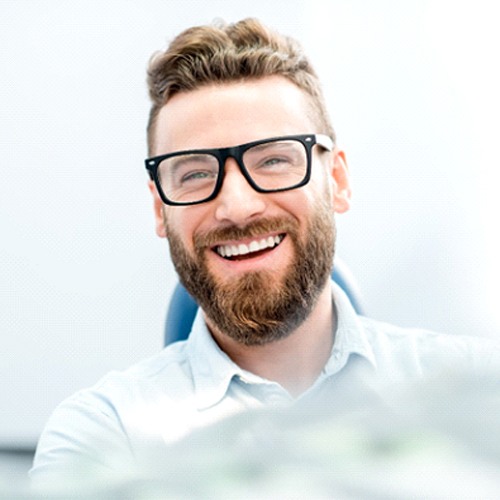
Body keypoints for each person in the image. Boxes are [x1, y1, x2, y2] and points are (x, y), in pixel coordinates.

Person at [30, 17, 499, 489]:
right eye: (193, 173)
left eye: (274, 160)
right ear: (159, 208)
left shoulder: (478, 396)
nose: (236, 206)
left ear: (336, 181)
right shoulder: (104, 438)